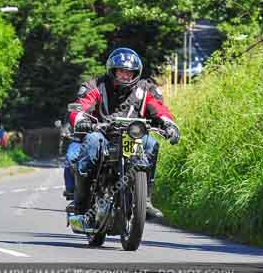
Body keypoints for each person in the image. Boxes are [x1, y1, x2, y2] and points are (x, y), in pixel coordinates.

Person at [65, 48, 180, 219]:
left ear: (136, 73)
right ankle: (82, 199)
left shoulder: (145, 89)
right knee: (93, 142)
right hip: (102, 134)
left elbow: (159, 109)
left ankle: (145, 201)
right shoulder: (97, 85)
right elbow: (82, 105)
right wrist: (82, 120)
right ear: (113, 70)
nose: (125, 76)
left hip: (132, 136)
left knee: (151, 144)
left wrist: (169, 125)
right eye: (121, 71)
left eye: (129, 72)